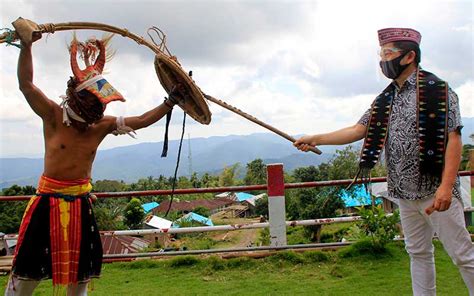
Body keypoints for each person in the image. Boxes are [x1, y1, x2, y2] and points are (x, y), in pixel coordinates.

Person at [5, 18, 182, 295]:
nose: (97, 110)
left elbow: (144, 120)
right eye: (93, 103)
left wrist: (170, 100)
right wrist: (26, 47)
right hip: (46, 204)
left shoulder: (101, 126)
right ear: (76, 98)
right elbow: (26, 84)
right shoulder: (52, 116)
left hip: (80, 205)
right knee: (26, 274)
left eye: (99, 105)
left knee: (80, 277)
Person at [294, 27, 474, 295]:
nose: (382, 61)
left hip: (434, 191)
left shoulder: (439, 90)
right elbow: (358, 130)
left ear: (409, 56)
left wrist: (446, 187)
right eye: (381, 54)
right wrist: (315, 138)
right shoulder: (386, 98)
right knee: (418, 253)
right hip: (402, 192)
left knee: (462, 255)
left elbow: (454, 139)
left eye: (388, 53)